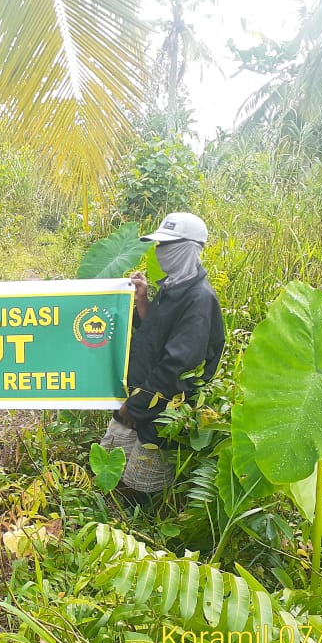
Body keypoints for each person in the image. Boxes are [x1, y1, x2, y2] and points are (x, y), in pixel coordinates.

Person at [101, 211, 225, 500]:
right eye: (159, 245)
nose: (160, 251)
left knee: (138, 492)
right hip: (139, 398)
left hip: (161, 411)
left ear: (189, 248)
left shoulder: (199, 300)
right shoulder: (172, 286)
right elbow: (155, 335)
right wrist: (142, 301)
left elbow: (177, 366)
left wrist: (135, 406)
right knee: (110, 470)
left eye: (168, 245)